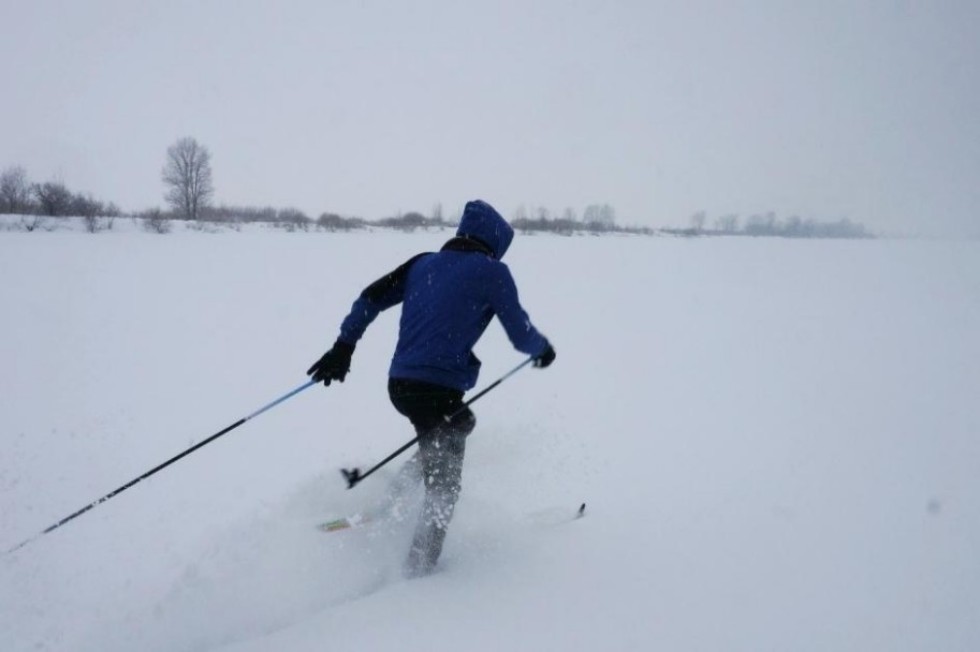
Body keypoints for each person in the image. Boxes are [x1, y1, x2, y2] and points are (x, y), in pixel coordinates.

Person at [307, 199, 556, 577]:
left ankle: (392, 501)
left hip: (401, 384)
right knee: (445, 484)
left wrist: (344, 346)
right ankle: (419, 567)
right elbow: (520, 333)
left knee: (453, 427)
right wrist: (542, 349)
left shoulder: (422, 264)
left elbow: (369, 298)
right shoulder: (493, 272)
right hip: (437, 389)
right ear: (495, 242)